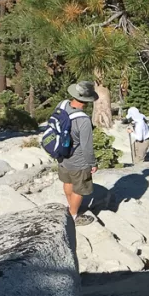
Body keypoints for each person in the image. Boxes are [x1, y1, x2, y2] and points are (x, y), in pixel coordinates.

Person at [57, 80, 98, 226]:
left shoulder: (62, 105)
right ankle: (73, 216)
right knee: (79, 189)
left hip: (62, 155)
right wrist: (92, 163)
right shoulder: (84, 120)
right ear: (87, 101)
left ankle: (71, 206)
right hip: (78, 160)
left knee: (67, 181)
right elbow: (87, 146)